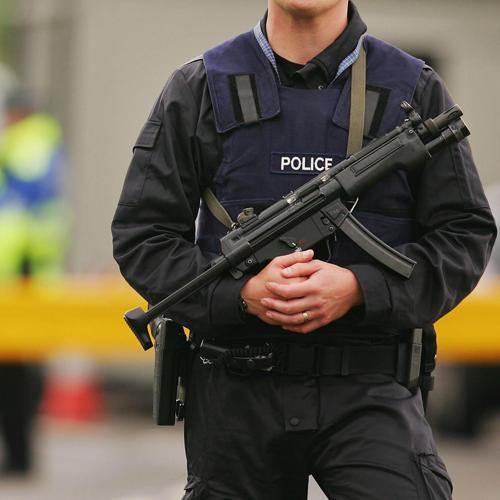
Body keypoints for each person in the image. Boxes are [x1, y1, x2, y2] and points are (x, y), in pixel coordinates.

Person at [112, 1, 496, 498]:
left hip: (370, 387)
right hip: (236, 389)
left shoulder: (413, 86)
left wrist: (360, 288)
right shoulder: (201, 86)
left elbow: (464, 234)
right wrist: (242, 294)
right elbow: (144, 236)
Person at [0, 87, 67, 475]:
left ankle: (19, 456)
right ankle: (18, 454)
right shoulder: (32, 140)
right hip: (21, 273)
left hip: (22, 274)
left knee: (16, 373)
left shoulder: (31, 140)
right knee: (18, 372)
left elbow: (24, 189)